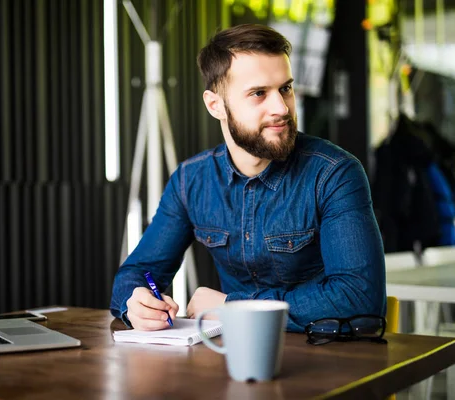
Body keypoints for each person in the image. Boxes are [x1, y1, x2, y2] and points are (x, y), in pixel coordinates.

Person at [110, 24, 386, 332]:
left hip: (325, 361)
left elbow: (360, 299)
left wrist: (234, 308)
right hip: (233, 362)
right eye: (258, 93)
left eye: (286, 88)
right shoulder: (192, 180)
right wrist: (135, 303)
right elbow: (135, 273)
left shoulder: (334, 173)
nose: (281, 108)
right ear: (215, 105)